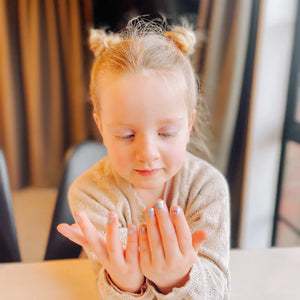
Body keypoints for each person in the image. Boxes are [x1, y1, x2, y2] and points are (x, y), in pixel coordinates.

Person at [57, 17, 230, 299]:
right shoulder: (90, 194)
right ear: (101, 127)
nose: (147, 153)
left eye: (166, 133)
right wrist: (124, 285)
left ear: (188, 125)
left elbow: (218, 291)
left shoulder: (207, 188)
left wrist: (177, 279)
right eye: (126, 135)